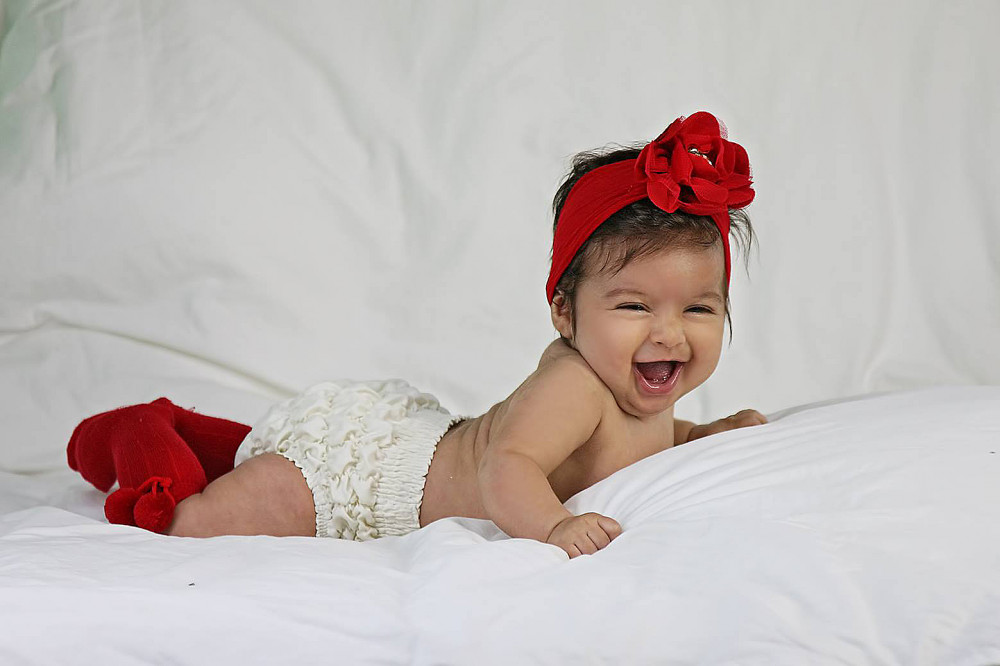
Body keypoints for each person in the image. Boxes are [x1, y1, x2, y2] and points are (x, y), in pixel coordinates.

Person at [66, 111, 767, 559]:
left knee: (255, 455)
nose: (670, 334)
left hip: (411, 446)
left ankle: (205, 436)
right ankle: (145, 429)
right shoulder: (576, 385)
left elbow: (633, 446)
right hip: (371, 482)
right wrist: (554, 529)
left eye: (699, 310)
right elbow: (507, 468)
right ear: (565, 311)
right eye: (635, 306)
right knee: (194, 527)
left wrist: (699, 435)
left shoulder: (637, 387)